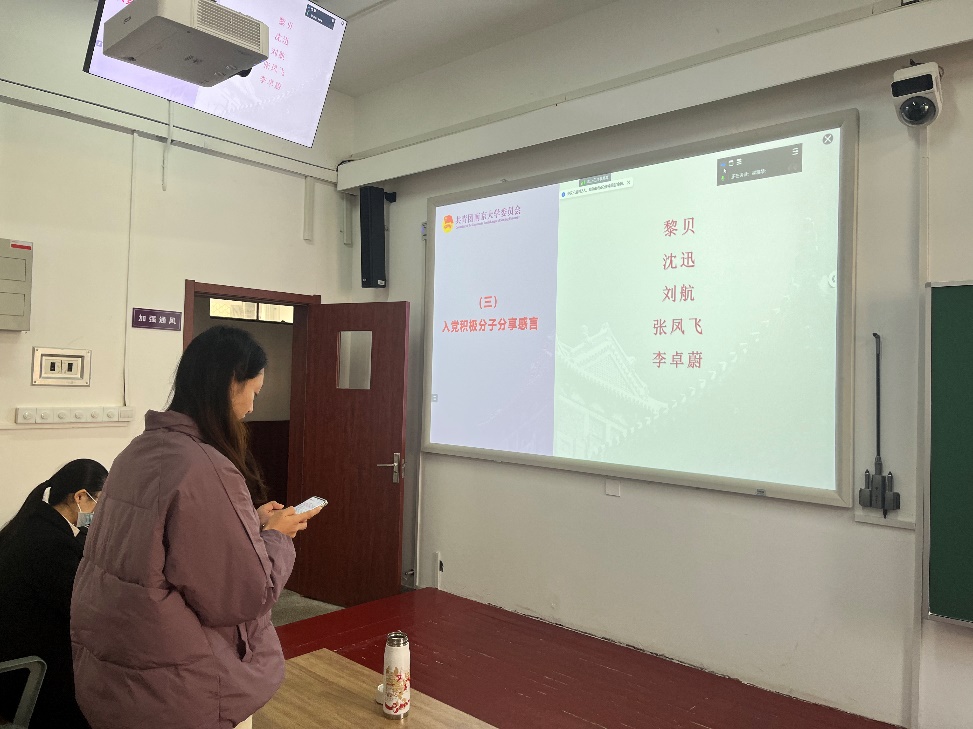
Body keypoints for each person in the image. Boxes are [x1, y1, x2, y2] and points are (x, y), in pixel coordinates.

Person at [71, 326, 322, 729]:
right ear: (231, 383)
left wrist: (248, 523)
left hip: (119, 671)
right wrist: (276, 536)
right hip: (178, 685)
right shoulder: (204, 466)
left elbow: (162, 545)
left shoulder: (137, 451)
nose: (251, 407)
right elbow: (245, 595)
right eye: (254, 392)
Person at [0, 458, 108, 728]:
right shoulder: (48, 544)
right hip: (28, 672)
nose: (103, 513)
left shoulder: (35, 524)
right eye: (102, 502)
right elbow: (85, 609)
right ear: (80, 497)